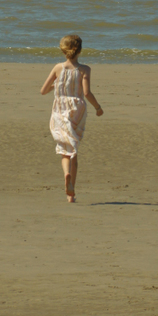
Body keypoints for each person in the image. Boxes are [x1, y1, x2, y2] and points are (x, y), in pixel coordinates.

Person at [40, 34, 103, 203]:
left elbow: (43, 90)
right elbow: (87, 93)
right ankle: (71, 193)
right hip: (77, 110)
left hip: (60, 110)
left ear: (63, 50)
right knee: (74, 146)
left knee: (64, 147)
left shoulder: (57, 68)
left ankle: (66, 175)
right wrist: (98, 108)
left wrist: (58, 84)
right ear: (80, 50)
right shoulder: (84, 69)